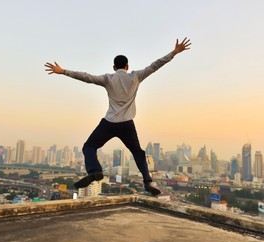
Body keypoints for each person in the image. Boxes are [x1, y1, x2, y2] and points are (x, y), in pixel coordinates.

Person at [45, 38, 191, 196]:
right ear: (127, 67)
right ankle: (148, 182)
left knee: (89, 147)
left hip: (109, 123)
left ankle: (95, 171)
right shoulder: (135, 76)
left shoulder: (108, 79)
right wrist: (175, 52)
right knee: (138, 153)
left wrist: (63, 71)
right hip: (127, 124)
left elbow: (86, 77)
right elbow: (155, 65)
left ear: (114, 67)